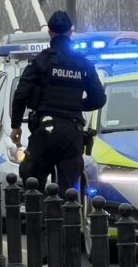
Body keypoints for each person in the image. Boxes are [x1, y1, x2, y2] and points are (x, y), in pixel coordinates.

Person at [10, 10, 107, 192]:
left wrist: (16, 126)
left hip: (45, 132)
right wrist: (76, 105)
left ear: (50, 33)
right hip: (72, 132)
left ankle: (37, 208)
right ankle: (67, 209)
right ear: (71, 32)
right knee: (69, 191)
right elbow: (99, 99)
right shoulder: (83, 63)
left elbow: (21, 94)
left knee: (32, 183)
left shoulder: (41, 61)